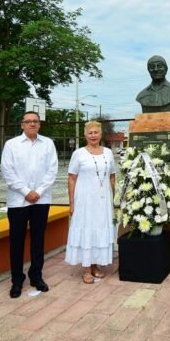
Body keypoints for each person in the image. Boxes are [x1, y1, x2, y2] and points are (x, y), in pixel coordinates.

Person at [1, 111, 59, 297]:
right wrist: (26, 192)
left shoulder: (48, 143)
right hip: (18, 201)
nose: (32, 124)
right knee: (16, 241)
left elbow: (52, 170)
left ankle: (36, 276)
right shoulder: (11, 145)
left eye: (35, 121)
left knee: (38, 240)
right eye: (28, 121)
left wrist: (38, 192)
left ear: (39, 125)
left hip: (41, 200)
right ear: (22, 125)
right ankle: (17, 280)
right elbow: (7, 172)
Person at [65, 121, 117, 283]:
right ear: (85, 135)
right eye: (90, 133)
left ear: (101, 134)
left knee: (99, 229)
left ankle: (95, 266)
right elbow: (72, 178)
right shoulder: (79, 154)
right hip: (85, 200)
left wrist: (113, 199)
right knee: (87, 230)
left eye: (96, 132)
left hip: (103, 201)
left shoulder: (108, 152)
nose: (93, 135)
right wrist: (72, 202)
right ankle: (86, 269)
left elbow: (112, 176)